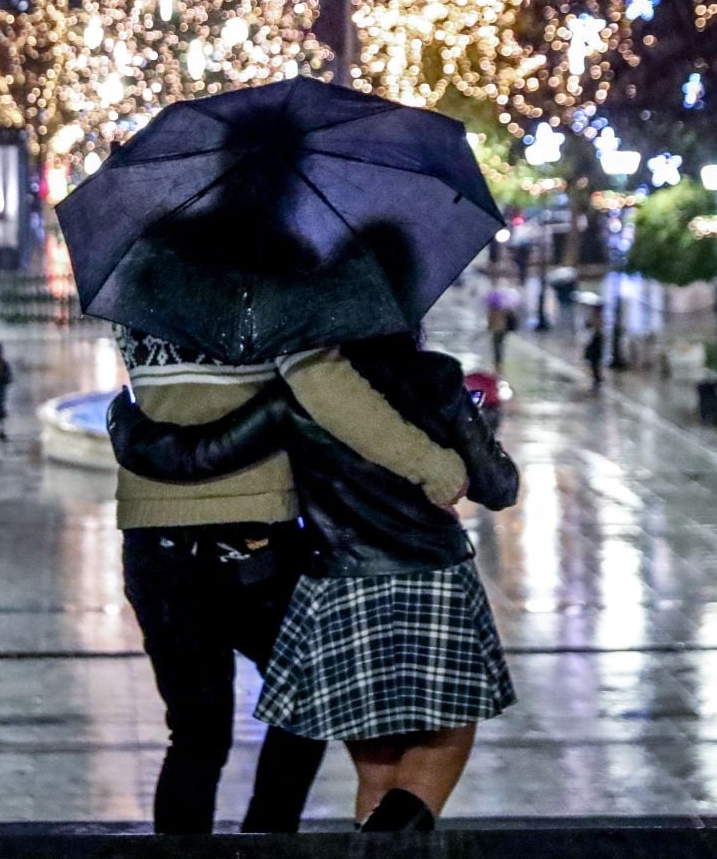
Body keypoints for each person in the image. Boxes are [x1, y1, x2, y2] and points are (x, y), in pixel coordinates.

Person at [112, 333, 520, 831]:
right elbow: (496, 485)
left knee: (204, 736)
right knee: (384, 731)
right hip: (372, 567)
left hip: (292, 573)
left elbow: (191, 454)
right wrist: (441, 463)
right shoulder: (421, 375)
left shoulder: (142, 288)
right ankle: (280, 837)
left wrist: (126, 422)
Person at [583, 303, 607, 390]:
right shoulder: (594, 316)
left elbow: (595, 327)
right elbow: (587, 325)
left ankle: (597, 379)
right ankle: (597, 378)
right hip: (593, 339)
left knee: (595, 361)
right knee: (593, 361)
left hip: (597, 340)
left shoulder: (600, 318)